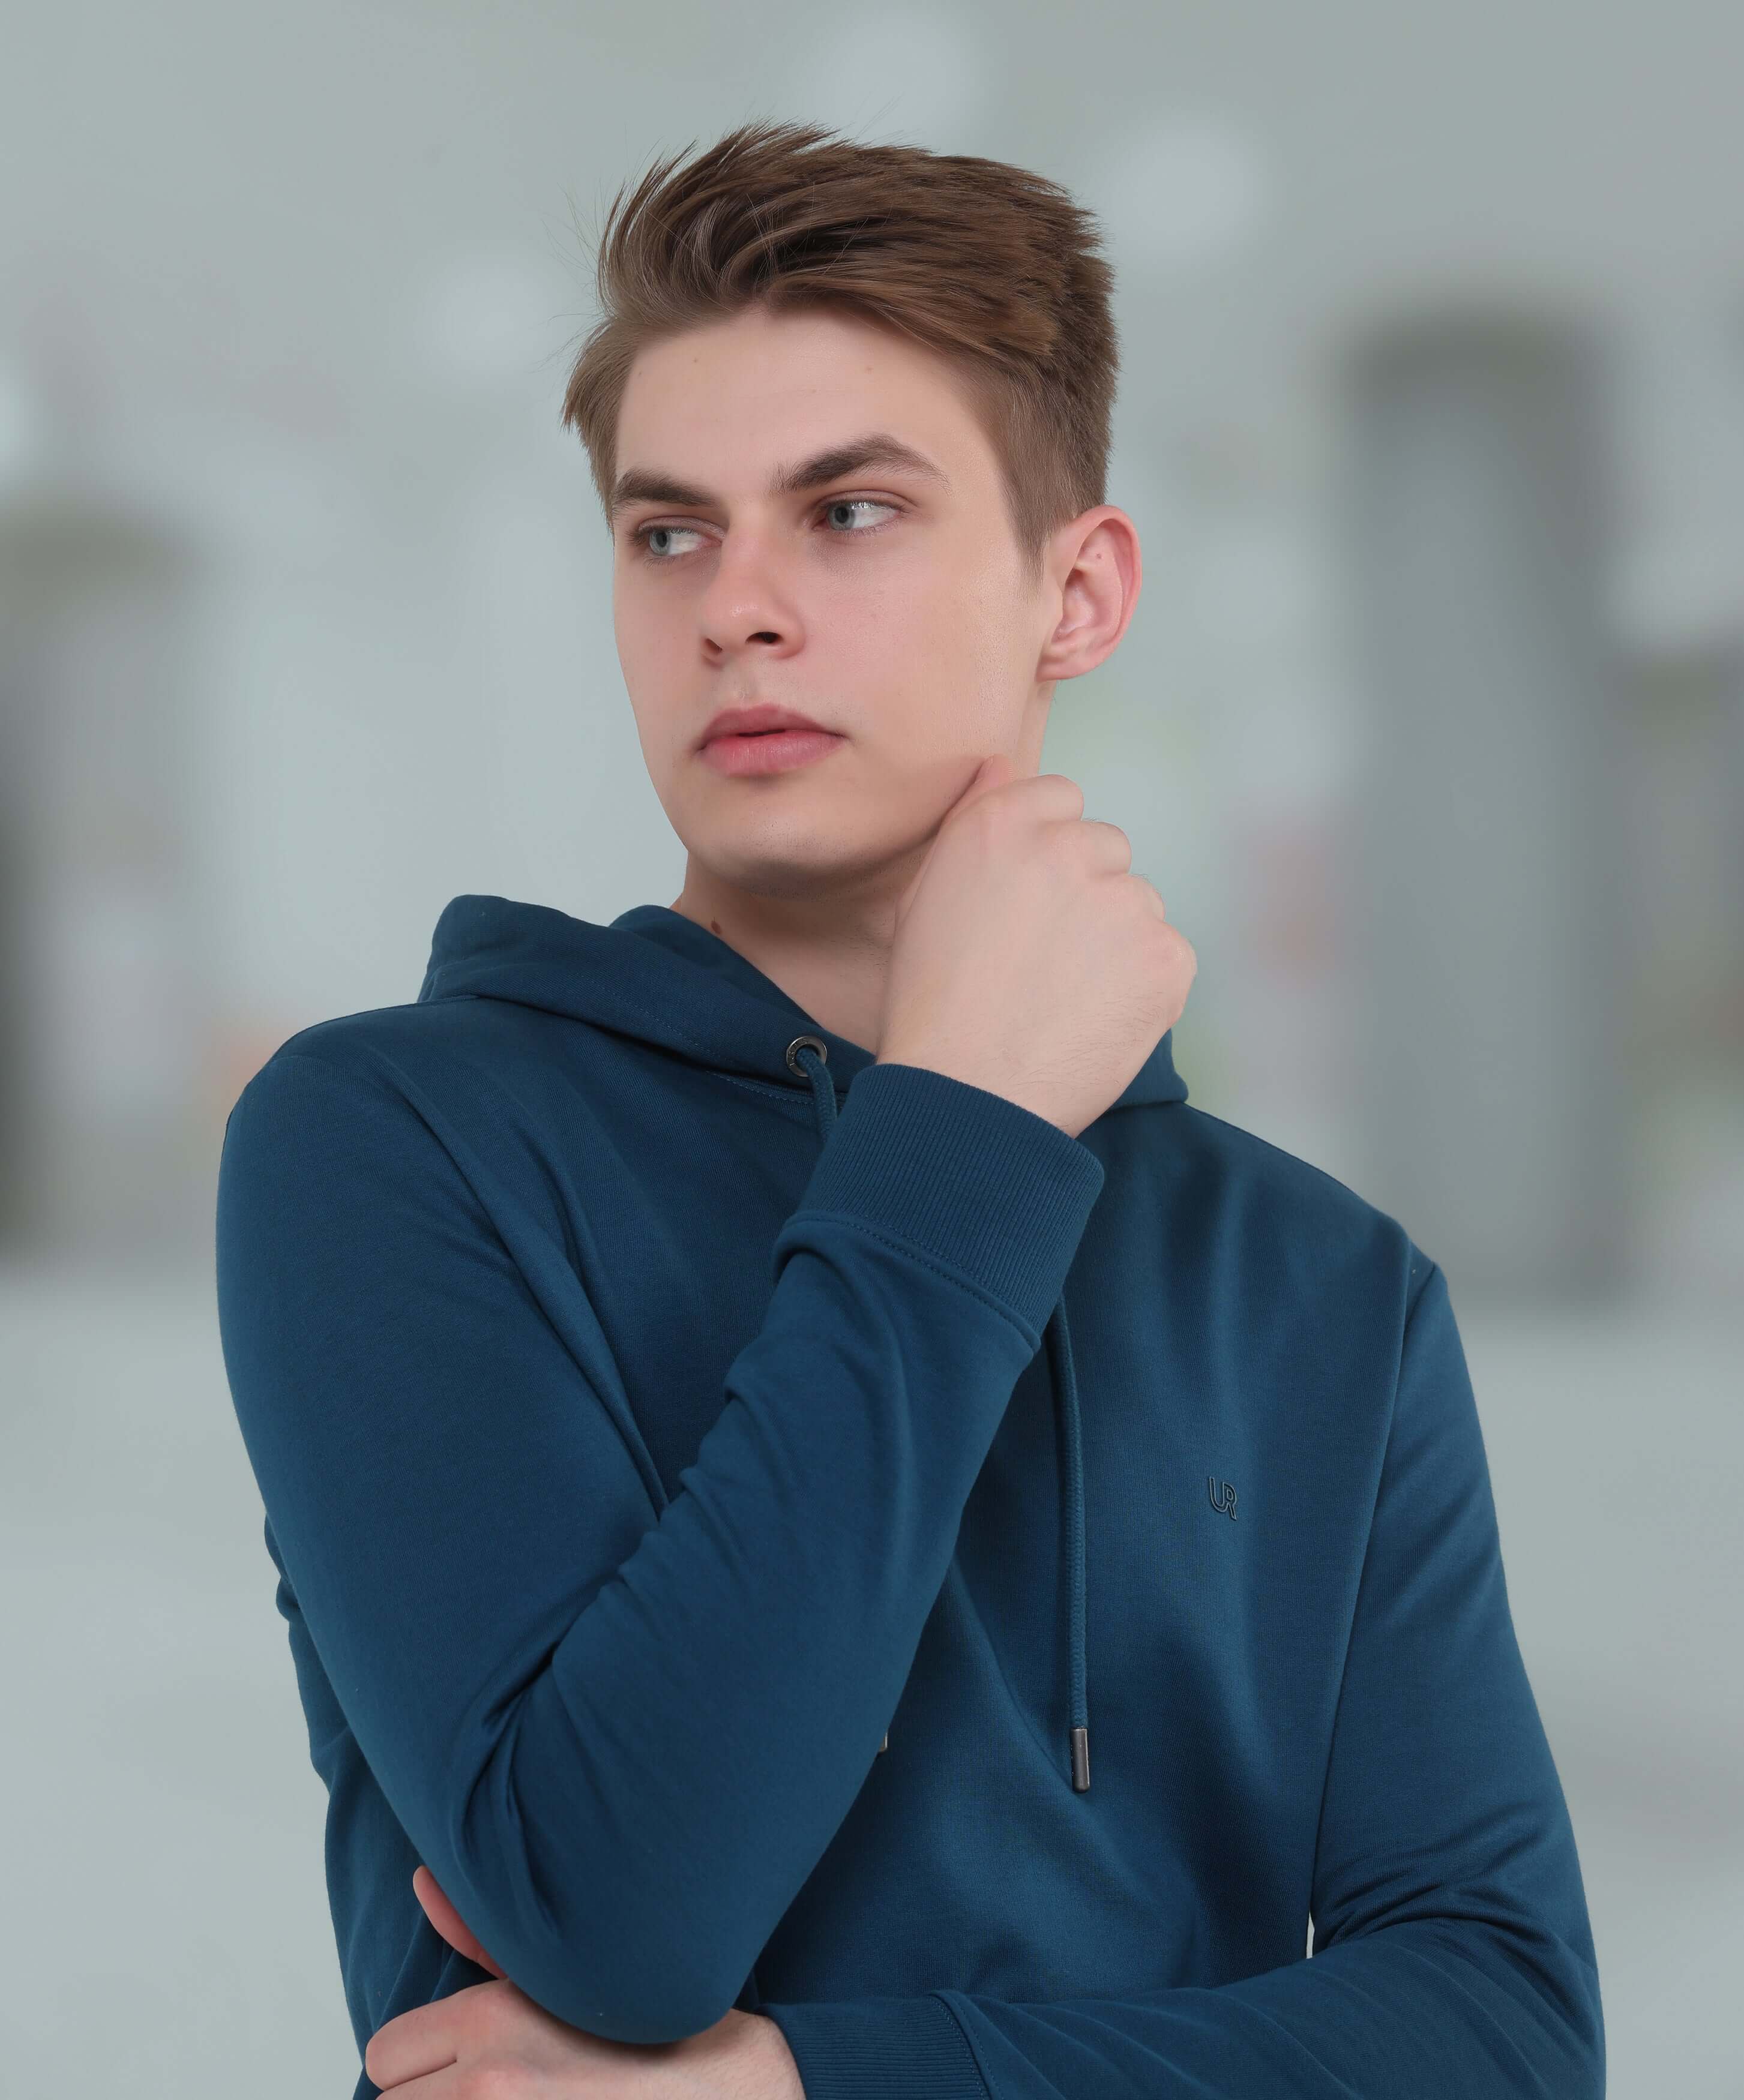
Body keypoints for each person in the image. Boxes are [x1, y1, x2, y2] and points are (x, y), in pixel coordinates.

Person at [214, 119, 1604, 2099]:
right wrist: (962, 1117)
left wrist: (815, 2088)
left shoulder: (1326, 1283)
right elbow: (621, 1907)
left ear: (1080, 589)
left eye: (848, 513)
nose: (738, 608)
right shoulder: (392, 1142)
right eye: (667, 529)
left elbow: (1504, 2032)